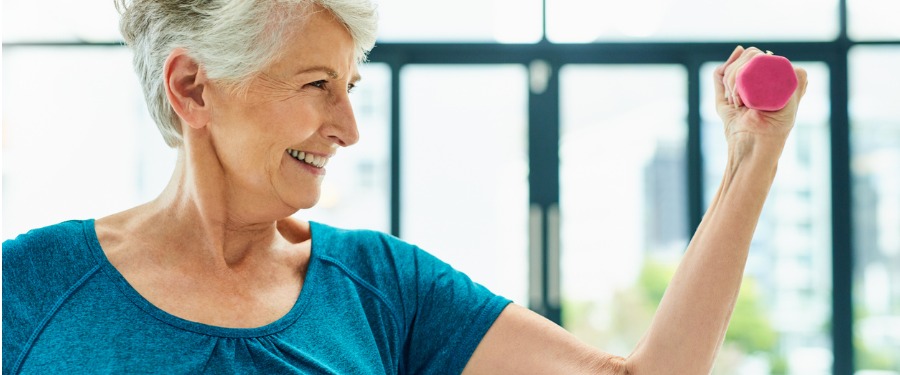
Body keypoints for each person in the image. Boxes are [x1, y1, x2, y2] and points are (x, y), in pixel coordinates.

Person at [1, 0, 807, 374]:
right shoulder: (27, 289)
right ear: (194, 89)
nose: (349, 128)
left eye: (352, 86)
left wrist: (750, 159)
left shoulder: (384, 288)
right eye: (317, 83)